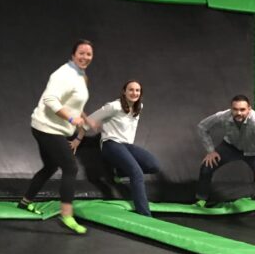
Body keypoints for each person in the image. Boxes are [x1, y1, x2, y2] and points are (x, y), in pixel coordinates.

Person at [17, 40, 96, 234]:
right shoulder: (63, 74)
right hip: (47, 128)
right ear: (73, 55)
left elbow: (74, 103)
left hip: (54, 128)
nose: (85, 57)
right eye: (81, 53)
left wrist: (85, 118)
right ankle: (66, 216)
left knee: (51, 166)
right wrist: (71, 119)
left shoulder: (80, 75)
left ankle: (24, 202)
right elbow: (50, 99)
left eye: (89, 54)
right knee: (70, 167)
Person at [196, 94, 255, 239]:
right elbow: (202, 127)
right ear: (231, 109)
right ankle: (201, 199)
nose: (238, 113)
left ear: (249, 109)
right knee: (207, 165)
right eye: (235, 109)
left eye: (242, 110)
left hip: (254, 152)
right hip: (230, 147)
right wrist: (210, 150)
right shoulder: (224, 116)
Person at [83, 80, 160, 216]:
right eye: (131, 90)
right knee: (136, 173)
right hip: (110, 144)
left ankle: (119, 172)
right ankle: (145, 215)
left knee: (154, 165)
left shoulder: (139, 107)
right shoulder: (113, 106)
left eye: (137, 90)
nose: (134, 93)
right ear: (124, 92)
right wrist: (78, 138)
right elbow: (88, 121)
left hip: (126, 146)